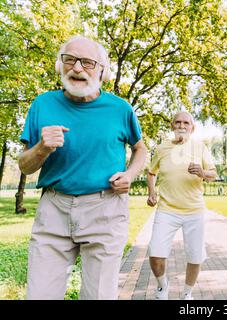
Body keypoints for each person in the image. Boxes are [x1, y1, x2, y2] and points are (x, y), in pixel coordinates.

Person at [18, 36, 147, 300]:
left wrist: (130, 174)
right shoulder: (42, 104)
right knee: (40, 295)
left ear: (102, 71)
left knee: (99, 295)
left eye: (87, 62)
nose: (77, 68)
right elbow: (25, 165)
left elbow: (141, 149)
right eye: (70, 60)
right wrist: (42, 147)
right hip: (54, 208)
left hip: (105, 209)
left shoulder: (120, 109)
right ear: (60, 65)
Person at [146, 111, 217, 300]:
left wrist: (202, 172)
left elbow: (213, 174)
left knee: (195, 256)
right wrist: (151, 192)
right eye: (177, 122)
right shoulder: (162, 148)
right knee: (155, 254)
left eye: (186, 123)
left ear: (192, 128)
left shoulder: (200, 147)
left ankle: (187, 293)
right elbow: (151, 172)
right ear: (172, 125)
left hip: (194, 211)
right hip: (166, 210)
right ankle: (163, 287)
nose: (181, 126)